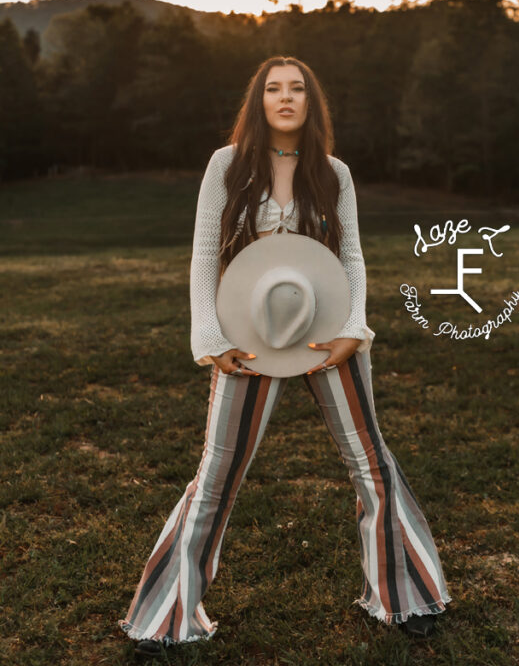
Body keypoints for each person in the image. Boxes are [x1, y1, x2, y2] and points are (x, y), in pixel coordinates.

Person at [118, 55, 451, 657]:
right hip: (248, 333)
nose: (286, 97)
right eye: (274, 88)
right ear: (259, 100)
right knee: (217, 472)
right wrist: (209, 337)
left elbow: (351, 256)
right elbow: (201, 256)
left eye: (297, 88)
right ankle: (168, 616)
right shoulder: (228, 165)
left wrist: (355, 326)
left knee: (370, 460)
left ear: (311, 102)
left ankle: (407, 599)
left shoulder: (334, 172)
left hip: (328, 331)